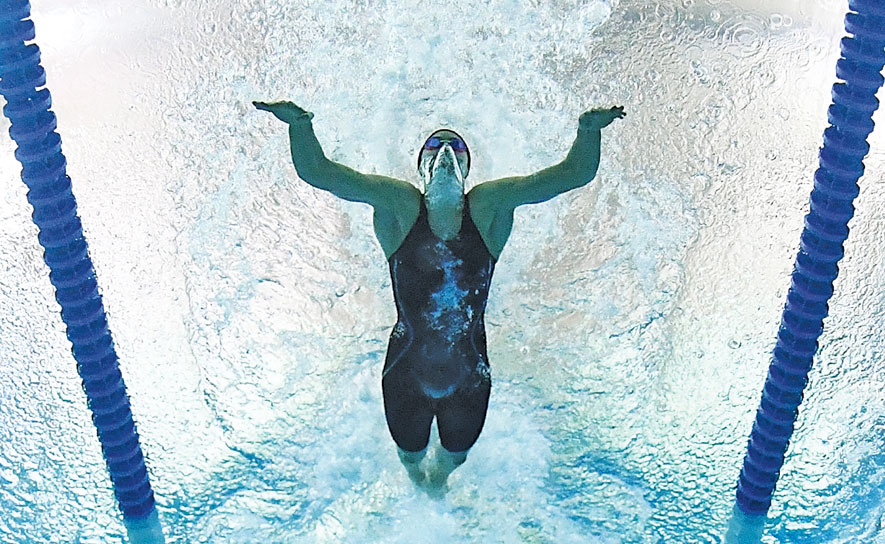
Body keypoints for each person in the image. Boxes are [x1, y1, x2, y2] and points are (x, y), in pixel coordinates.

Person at [254, 100, 625, 492]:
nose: (445, 153)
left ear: (466, 171)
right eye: (434, 147)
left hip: (469, 378)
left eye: (456, 148)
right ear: (422, 169)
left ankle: (440, 482)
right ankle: (417, 480)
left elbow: (571, 175)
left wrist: (589, 130)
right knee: (409, 453)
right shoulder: (399, 206)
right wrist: (300, 124)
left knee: (456, 454)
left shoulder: (486, 207)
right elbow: (321, 173)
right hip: (405, 376)